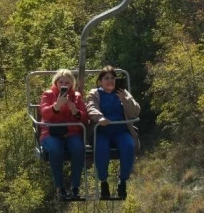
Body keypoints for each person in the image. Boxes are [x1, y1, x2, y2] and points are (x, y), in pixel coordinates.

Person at [86, 65, 140, 200]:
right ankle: (104, 182)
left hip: (120, 130)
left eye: (113, 78)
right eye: (107, 78)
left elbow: (135, 111)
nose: (110, 81)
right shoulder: (95, 93)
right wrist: (100, 118)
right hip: (102, 131)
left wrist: (124, 99)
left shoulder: (123, 93)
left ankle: (123, 182)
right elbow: (91, 107)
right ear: (100, 81)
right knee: (101, 149)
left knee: (128, 146)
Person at [39, 69, 89, 200]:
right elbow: (44, 113)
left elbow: (85, 118)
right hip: (51, 132)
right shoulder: (48, 95)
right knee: (56, 149)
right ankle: (59, 187)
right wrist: (56, 107)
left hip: (72, 131)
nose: (63, 85)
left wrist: (75, 111)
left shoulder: (76, 96)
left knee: (78, 149)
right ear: (56, 82)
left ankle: (75, 187)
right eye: (61, 82)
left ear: (71, 84)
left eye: (67, 82)